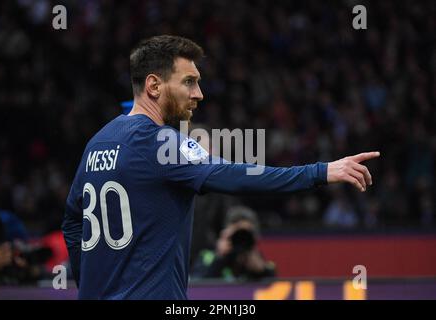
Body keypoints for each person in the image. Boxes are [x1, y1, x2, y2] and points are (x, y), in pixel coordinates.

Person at [62, 35, 380, 300]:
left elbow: (73, 223)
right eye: (189, 82)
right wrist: (320, 172)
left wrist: (88, 286)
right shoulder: (161, 142)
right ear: (154, 86)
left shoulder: (98, 142)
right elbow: (238, 177)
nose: (198, 94)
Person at [192, 205, 276, 281]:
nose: (241, 238)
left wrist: (262, 271)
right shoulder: (207, 257)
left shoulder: (259, 259)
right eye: (238, 233)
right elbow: (198, 288)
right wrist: (219, 257)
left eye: (245, 234)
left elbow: (276, 291)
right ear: (226, 233)